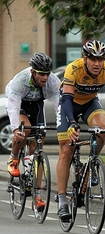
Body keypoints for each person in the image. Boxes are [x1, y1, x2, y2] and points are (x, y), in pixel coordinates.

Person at [56, 40, 105, 221]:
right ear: (85, 58)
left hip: (90, 103)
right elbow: (66, 99)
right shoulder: (73, 69)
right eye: (93, 59)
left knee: (102, 127)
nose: (97, 63)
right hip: (69, 105)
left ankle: (91, 164)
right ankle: (61, 200)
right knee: (67, 149)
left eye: (101, 59)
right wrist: (73, 122)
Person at [6, 52, 60, 207]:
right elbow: (13, 107)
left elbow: (59, 107)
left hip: (36, 105)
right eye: (42, 74)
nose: (45, 78)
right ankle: (14, 157)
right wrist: (16, 129)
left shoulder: (53, 82)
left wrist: (63, 126)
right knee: (25, 130)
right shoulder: (20, 81)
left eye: (47, 74)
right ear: (33, 72)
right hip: (19, 104)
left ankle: (36, 193)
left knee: (39, 143)